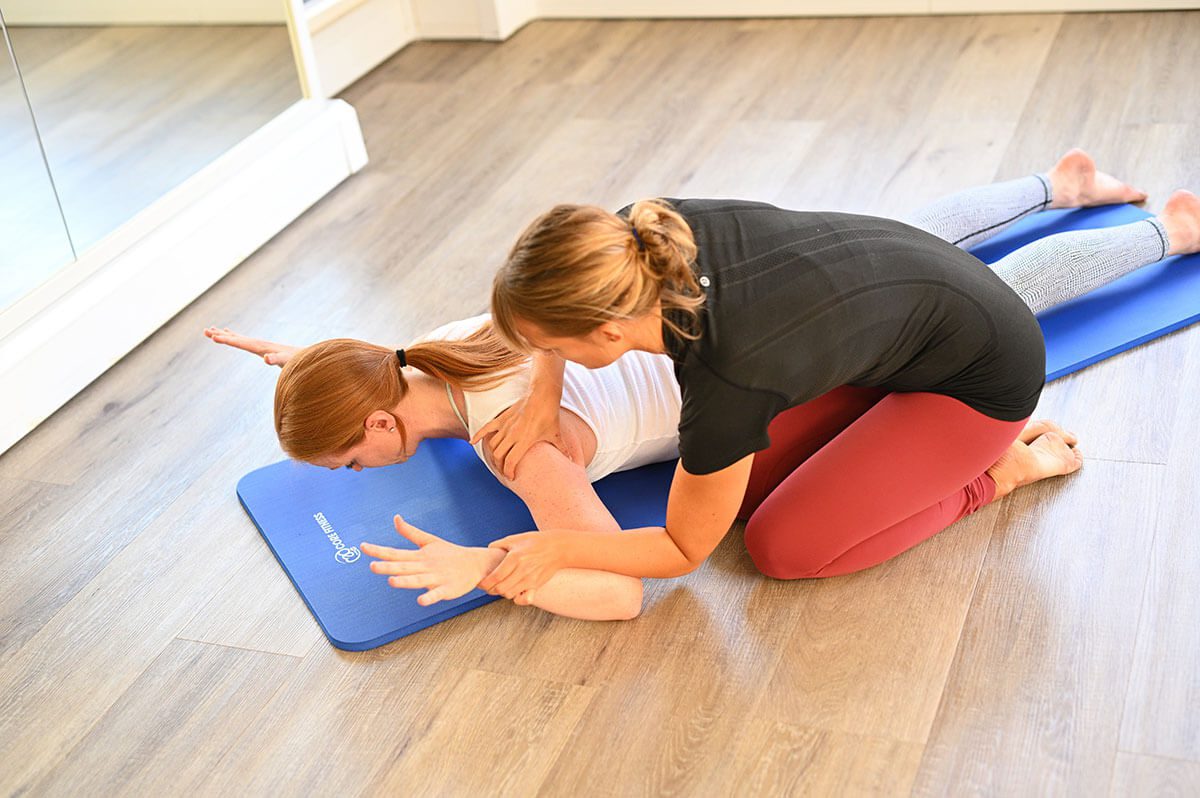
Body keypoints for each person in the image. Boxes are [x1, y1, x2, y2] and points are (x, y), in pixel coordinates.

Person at [371, 149, 1199, 604]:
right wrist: (544, 386)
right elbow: (549, 326)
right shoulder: (638, 237)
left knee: (779, 545)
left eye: (543, 344)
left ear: (610, 330)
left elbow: (680, 552)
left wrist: (542, 550)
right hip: (896, 316)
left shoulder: (730, 371)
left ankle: (1002, 468)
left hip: (979, 374)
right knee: (746, 485)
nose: (522, 353)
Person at [206, 314, 681, 621]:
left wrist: (483, 568)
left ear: (378, 422)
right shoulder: (432, 349)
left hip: (731, 399)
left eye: (349, 462)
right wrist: (316, 373)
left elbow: (621, 595)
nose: (357, 472)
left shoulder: (514, 445)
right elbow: (367, 375)